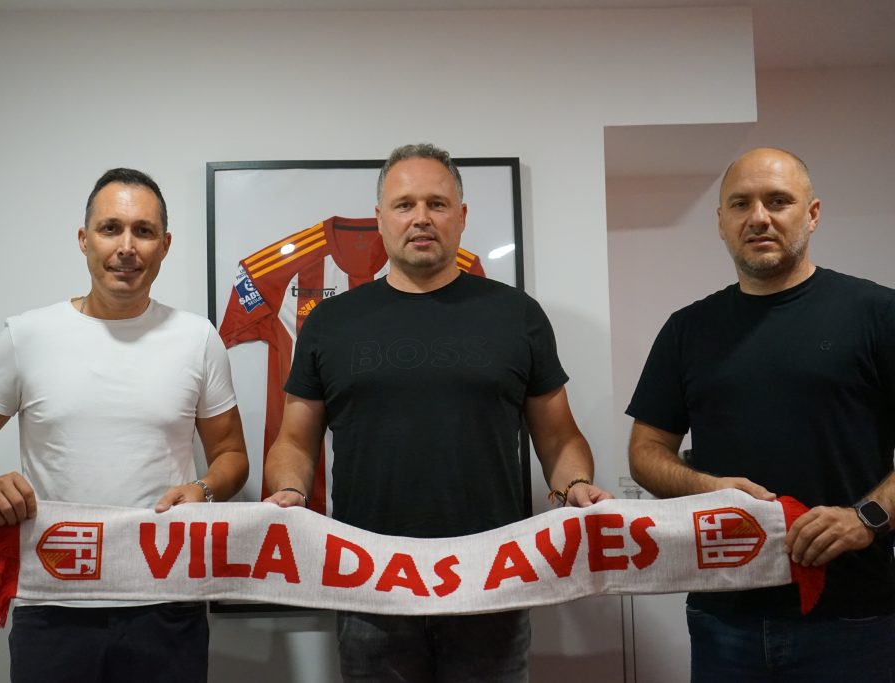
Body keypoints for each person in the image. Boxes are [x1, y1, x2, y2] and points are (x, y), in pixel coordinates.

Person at [263, 143, 611, 682]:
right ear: (380, 218)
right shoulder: (330, 322)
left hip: (492, 579)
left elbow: (559, 438)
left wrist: (576, 486)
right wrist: (289, 491)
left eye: (437, 204)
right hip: (369, 581)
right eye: (404, 205)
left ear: (462, 216)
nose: (421, 217)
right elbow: (294, 441)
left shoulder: (516, 314)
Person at [0, 168, 248, 683]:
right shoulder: (27, 336)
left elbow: (232, 456)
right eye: (110, 228)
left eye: (143, 231)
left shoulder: (198, 338)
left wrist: (205, 489)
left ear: (164, 246)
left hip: (166, 598)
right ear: (84, 239)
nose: (126, 247)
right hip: (53, 599)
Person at [626, 147, 895, 682]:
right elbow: (645, 452)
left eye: (778, 201)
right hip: (723, 618)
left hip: (855, 617)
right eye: (740, 204)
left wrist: (867, 517)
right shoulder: (687, 329)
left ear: (812, 214)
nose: (759, 217)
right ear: (721, 223)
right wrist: (705, 488)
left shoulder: (878, 314)